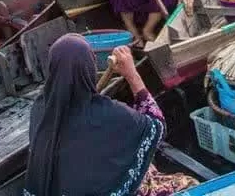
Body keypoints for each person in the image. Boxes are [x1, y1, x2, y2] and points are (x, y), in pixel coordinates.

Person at [24, 35, 198, 196]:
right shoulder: (107, 113)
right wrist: (131, 74)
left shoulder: (40, 108)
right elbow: (156, 128)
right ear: (89, 69)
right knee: (188, 184)